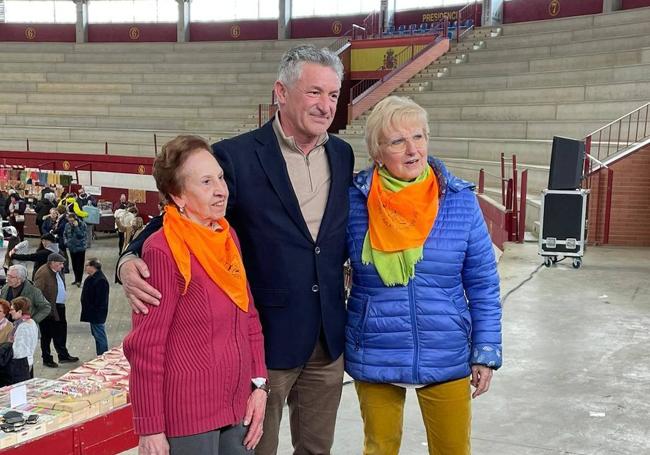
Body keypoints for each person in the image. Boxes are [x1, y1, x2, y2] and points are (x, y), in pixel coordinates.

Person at [119, 45, 354, 454]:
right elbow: (180, 210)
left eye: (333, 95)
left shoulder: (342, 153)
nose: (325, 105)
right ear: (281, 92)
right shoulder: (238, 155)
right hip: (270, 341)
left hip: (328, 337)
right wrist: (129, 257)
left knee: (318, 449)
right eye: (315, 92)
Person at [345, 96, 502, 455]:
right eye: (397, 141)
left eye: (419, 137)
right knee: (379, 448)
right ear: (377, 152)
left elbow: (483, 284)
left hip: (446, 349)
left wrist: (486, 350)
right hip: (375, 347)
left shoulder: (459, 200)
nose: (412, 150)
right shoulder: (355, 202)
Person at [123, 135, 268, 454]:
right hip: (189, 419)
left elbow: (249, 317)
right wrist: (150, 429)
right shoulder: (162, 251)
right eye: (206, 182)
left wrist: (258, 384)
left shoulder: (227, 236)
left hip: (238, 406)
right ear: (178, 195)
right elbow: (147, 346)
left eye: (220, 177)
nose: (221, 189)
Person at [33, 253, 79, 368]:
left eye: (62, 263)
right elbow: (37, 294)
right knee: (47, 335)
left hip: (59, 306)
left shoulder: (57, 271)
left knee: (61, 331)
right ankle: (47, 358)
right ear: (52, 263)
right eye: (60, 264)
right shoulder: (43, 274)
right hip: (48, 309)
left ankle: (63, 355)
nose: (62, 266)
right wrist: (45, 309)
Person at [80, 258, 110, 355]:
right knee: (97, 335)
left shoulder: (100, 280)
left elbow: (100, 300)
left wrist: (92, 309)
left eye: (87, 266)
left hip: (96, 314)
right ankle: (100, 355)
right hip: (93, 313)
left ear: (93, 267)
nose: (85, 268)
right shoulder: (92, 277)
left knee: (100, 336)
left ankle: (103, 356)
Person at [7, 297, 39, 383]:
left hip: (20, 364)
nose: (10, 312)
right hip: (27, 362)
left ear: (20, 312)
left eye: (12, 309)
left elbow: (18, 351)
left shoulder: (23, 327)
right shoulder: (31, 322)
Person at [64, 213, 88, 287]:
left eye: (72, 220)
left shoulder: (82, 225)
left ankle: (79, 280)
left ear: (75, 219)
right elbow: (64, 234)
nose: (70, 222)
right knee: (74, 264)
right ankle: (76, 279)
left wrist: (76, 227)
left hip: (80, 248)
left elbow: (81, 235)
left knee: (79, 265)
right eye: (69, 220)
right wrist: (66, 242)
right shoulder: (67, 225)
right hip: (71, 247)